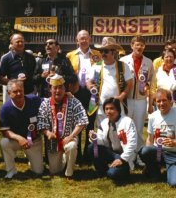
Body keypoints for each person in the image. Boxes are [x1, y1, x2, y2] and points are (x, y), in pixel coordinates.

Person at [37, 74, 89, 179]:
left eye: (60, 87)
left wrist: (71, 136)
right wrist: (47, 133)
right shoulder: (45, 104)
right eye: (55, 88)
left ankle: (69, 173)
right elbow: (41, 122)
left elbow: (83, 120)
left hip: (68, 139)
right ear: (50, 89)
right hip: (53, 142)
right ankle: (65, 159)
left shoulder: (74, 101)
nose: (58, 91)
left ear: (65, 89)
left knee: (72, 146)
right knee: (55, 171)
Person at [66, 30, 102, 165]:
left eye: (86, 38)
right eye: (81, 38)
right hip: (76, 92)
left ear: (90, 39)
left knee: (91, 123)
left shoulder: (97, 55)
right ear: (77, 41)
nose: (84, 41)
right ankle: (77, 155)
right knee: (77, 122)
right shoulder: (70, 55)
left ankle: (88, 154)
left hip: (92, 92)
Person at [120, 35, 154, 166]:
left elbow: (152, 84)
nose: (139, 47)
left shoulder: (148, 62)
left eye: (142, 45)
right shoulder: (123, 60)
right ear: (132, 45)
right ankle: (128, 157)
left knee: (139, 129)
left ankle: (139, 156)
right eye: (137, 44)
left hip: (140, 100)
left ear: (144, 47)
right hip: (127, 99)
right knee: (127, 128)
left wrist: (150, 103)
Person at [0, 79, 43, 179]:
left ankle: (31, 159)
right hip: (15, 141)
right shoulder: (4, 109)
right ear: (9, 93)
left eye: (21, 90)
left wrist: (66, 94)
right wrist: (19, 138)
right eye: (15, 91)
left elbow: (51, 100)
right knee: (4, 142)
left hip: (34, 141)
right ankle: (11, 170)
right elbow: (5, 131)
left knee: (39, 172)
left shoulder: (34, 100)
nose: (19, 93)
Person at [87, 37, 133, 127]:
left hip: (117, 106)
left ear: (114, 52)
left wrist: (121, 97)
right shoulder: (96, 66)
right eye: (102, 51)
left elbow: (129, 83)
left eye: (106, 51)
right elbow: (89, 81)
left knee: (119, 131)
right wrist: (91, 87)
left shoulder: (123, 66)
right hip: (100, 106)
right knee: (102, 132)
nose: (103, 53)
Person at [88, 98, 137, 180]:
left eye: (111, 108)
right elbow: (101, 141)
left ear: (118, 109)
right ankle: (102, 171)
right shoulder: (103, 123)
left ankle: (123, 169)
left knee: (112, 174)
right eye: (106, 109)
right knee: (92, 147)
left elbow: (132, 144)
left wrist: (122, 159)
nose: (108, 111)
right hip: (110, 153)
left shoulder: (127, 122)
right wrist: (94, 138)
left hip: (123, 156)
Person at [139, 88, 176, 187]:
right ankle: (155, 172)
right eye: (158, 101)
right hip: (158, 152)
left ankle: (171, 170)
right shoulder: (152, 117)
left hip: (173, 154)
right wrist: (148, 158)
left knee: (174, 183)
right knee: (145, 151)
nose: (161, 103)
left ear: (170, 100)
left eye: (164, 100)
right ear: (155, 103)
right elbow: (150, 139)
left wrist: (174, 142)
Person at [0, 33, 36, 102]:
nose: (20, 43)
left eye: (22, 41)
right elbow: (0, 78)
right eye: (17, 41)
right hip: (14, 95)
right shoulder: (6, 58)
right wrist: (15, 82)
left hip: (29, 93)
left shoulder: (31, 57)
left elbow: (34, 73)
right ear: (12, 43)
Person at [149, 49, 176, 113]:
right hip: (161, 104)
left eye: (171, 57)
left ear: (174, 58)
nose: (169, 59)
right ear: (162, 59)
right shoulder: (157, 72)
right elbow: (152, 89)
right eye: (166, 57)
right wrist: (150, 105)